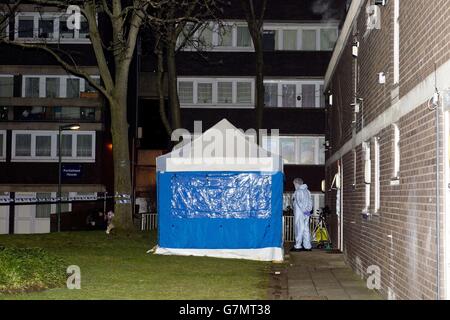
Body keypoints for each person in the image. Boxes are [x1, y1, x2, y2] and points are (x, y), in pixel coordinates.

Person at [291, 178, 313, 252]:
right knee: (306, 229)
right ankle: (307, 246)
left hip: (300, 213)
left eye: (294, 184)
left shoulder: (298, 191)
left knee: (299, 229)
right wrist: (308, 211)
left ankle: (298, 246)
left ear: (297, 183)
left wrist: (303, 211)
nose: (294, 186)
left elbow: (298, 202)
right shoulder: (307, 191)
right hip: (307, 213)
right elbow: (310, 202)